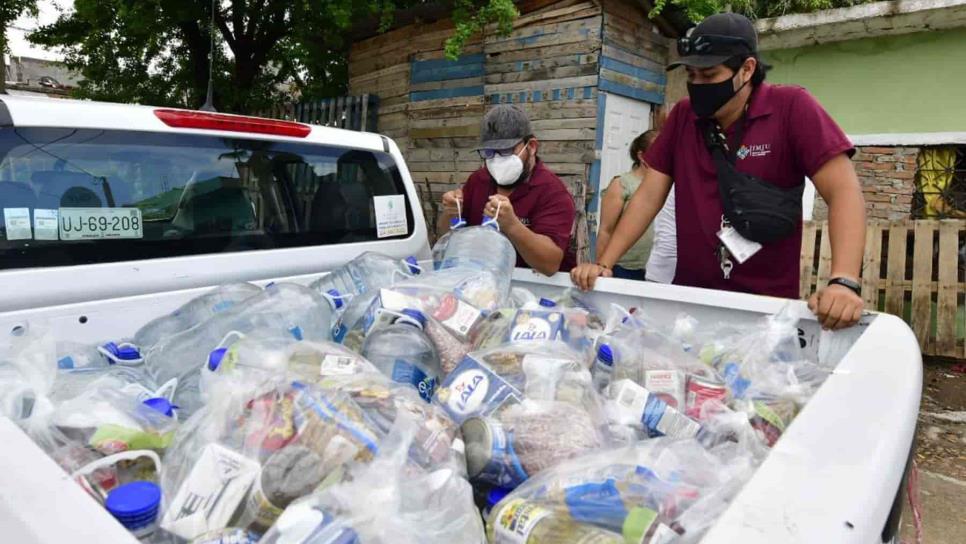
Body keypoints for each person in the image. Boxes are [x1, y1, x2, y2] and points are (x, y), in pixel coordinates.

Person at [571, 12, 867, 330]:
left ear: (747, 69)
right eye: (691, 76)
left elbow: (844, 191)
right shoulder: (685, 117)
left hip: (764, 312)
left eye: (709, 76)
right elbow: (647, 196)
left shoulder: (791, 108)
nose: (697, 86)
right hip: (692, 307)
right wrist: (605, 262)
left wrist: (844, 281)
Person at [438, 105, 577, 275]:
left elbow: (549, 264)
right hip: (481, 280)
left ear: (531, 146)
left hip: (534, 288)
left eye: (506, 151)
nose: (496, 161)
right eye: (490, 152)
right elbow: (445, 236)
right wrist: (451, 212)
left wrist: (512, 226)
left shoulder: (552, 192)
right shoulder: (478, 180)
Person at [596, 130, 677, 282]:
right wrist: (602, 267)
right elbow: (605, 230)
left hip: (655, 268)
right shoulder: (622, 184)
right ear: (641, 156)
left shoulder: (670, 185)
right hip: (624, 268)